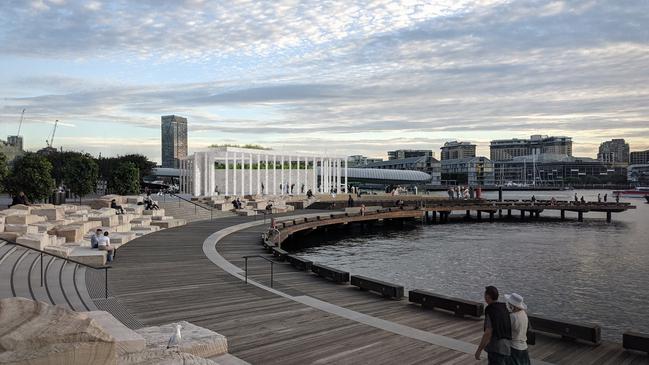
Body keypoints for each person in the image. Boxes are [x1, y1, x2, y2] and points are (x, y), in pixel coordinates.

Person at [475, 286, 512, 364]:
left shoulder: (490, 309)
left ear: (488, 296)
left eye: (485, 294)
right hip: (507, 345)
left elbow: (488, 332)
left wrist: (479, 350)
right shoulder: (504, 307)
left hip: (496, 347)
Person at [506, 293, 530, 365]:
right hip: (524, 346)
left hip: (514, 347)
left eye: (509, 304)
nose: (508, 305)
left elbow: (506, 329)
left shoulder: (513, 316)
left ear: (513, 306)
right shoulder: (523, 313)